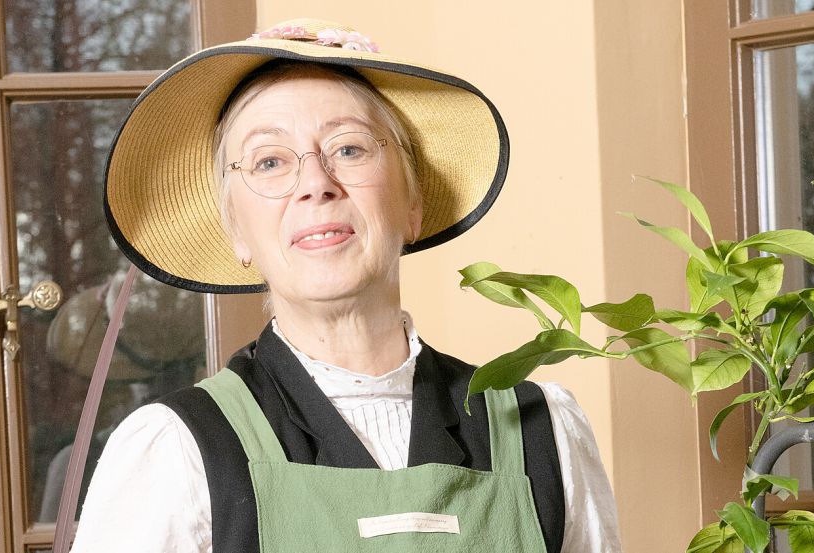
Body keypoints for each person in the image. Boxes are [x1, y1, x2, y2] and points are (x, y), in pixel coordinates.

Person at [72, 19, 621, 552]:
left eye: (350, 149)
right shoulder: (177, 451)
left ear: (412, 205)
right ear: (237, 233)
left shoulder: (541, 430)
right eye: (269, 161)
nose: (315, 183)